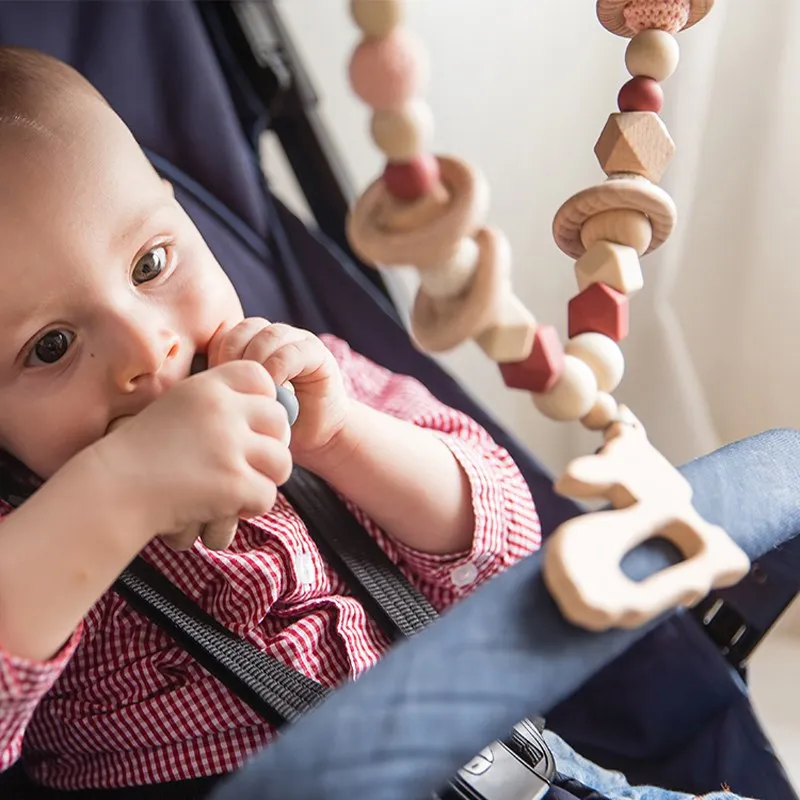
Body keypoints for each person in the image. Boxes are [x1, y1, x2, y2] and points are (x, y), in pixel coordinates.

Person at [0, 46, 755, 800]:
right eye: (51, 346)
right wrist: (114, 493)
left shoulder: (307, 378)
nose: (146, 348)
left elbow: (500, 545)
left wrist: (340, 440)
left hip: (506, 769)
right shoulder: (26, 538)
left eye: (151, 264)